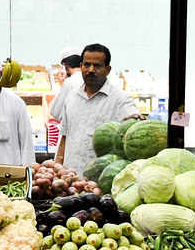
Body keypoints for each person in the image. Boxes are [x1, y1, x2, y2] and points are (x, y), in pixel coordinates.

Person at [56, 43, 145, 174]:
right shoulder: (72, 96)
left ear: (107, 70)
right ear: (81, 67)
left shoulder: (121, 99)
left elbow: (133, 121)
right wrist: (58, 166)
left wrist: (138, 121)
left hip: (100, 183)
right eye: (87, 65)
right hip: (69, 180)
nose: (91, 70)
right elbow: (64, 135)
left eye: (97, 66)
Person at [49, 46, 84, 122]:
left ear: (64, 66)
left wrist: (61, 84)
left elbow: (56, 112)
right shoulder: (88, 79)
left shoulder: (69, 83)